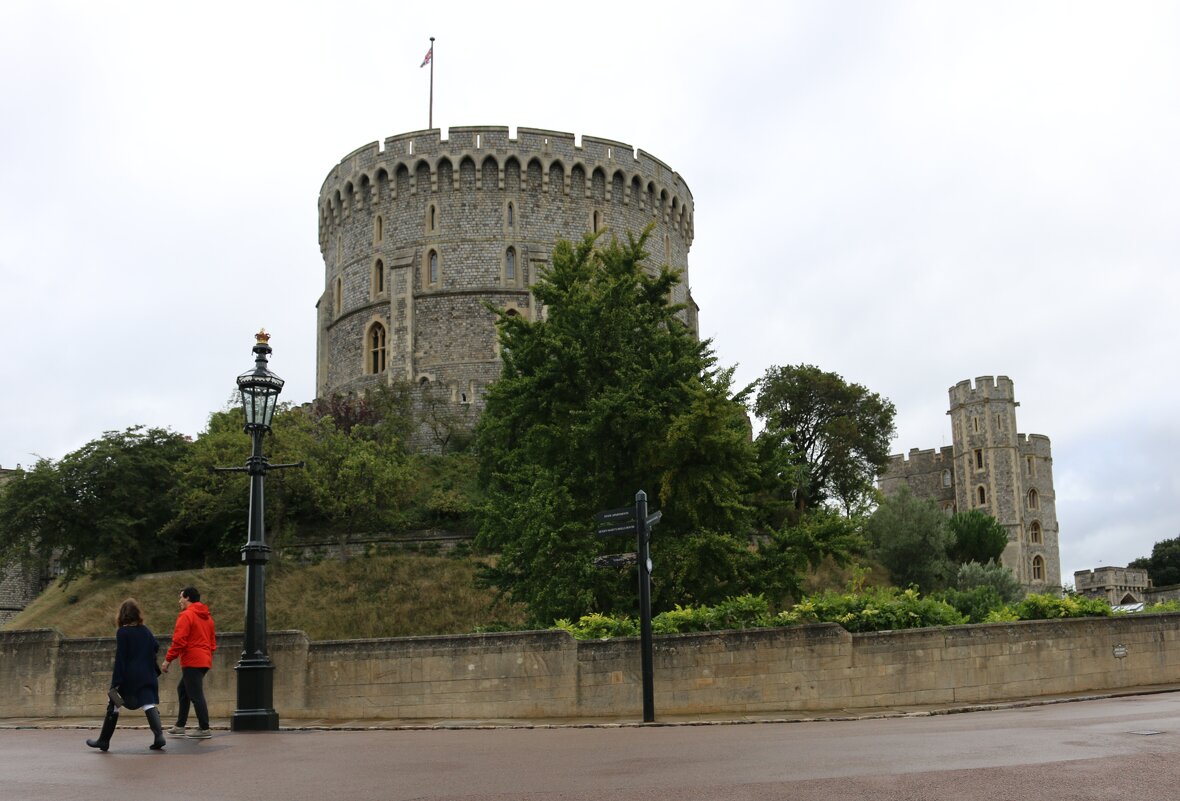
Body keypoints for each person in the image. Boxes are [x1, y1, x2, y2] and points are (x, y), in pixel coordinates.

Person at [86, 598, 166, 751]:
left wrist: (115, 683)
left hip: (130, 677)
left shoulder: (123, 632)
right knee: (148, 703)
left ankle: (104, 740)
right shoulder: (145, 630)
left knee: (114, 704)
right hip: (147, 674)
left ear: (122, 615)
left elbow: (121, 659)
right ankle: (159, 736)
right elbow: (155, 646)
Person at [161, 586, 217, 739]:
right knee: (183, 690)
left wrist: (167, 660)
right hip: (204, 659)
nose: (179, 600)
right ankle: (180, 725)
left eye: (180, 597)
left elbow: (179, 641)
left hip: (192, 660)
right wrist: (205, 655)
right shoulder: (207, 617)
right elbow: (212, 643)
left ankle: (204, 728)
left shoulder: (186, 616)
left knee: (195, 694)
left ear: (187, 598)